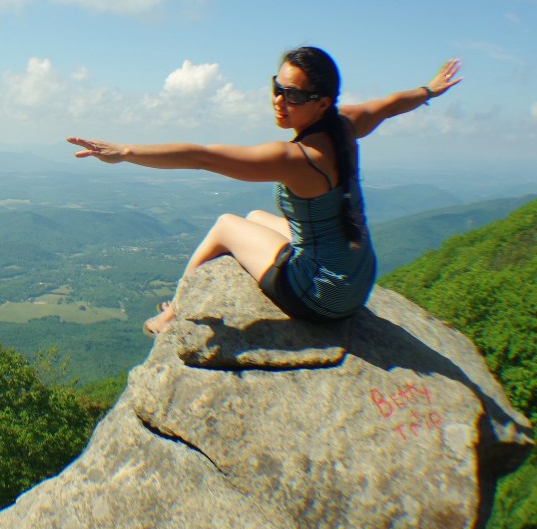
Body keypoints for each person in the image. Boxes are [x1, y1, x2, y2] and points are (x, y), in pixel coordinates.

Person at [67, 48, 462, 335]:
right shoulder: (345, 122)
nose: (279, 101)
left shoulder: (298, 158)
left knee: (226, 225)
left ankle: (174, 314)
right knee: (255, 218)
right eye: (278, 87)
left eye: (293, 95)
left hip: (323, 294)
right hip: (358, 276)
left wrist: (126, 152)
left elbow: (203, 157)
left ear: (321, 103)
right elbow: (392, 104)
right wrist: (429, 89)